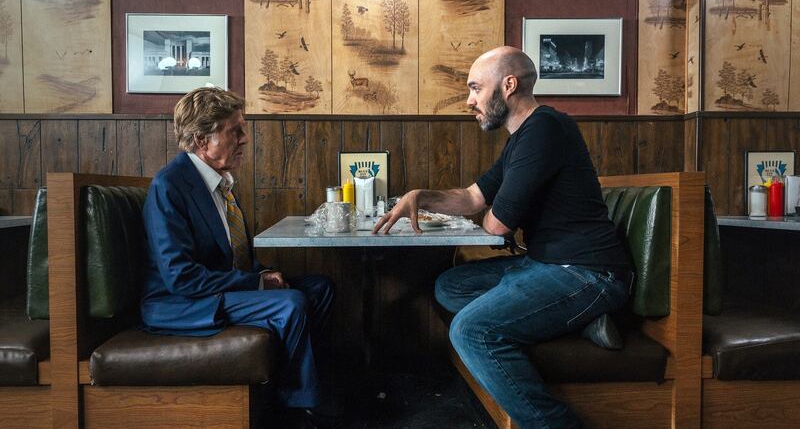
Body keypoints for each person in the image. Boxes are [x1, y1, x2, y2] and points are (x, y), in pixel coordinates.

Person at [373, 46, 633, 428]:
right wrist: (419, 196)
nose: (469, 100)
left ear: (508, 85)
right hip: (544, 264)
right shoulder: (521, 138)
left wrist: (497, 211)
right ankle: (580, 320)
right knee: (450, 286)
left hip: (589, 272)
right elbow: (474, 198)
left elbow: (495, 226)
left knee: (472, 330)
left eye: (476, 88)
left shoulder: (545, 128)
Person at [140, 87, 334, 427]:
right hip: (182, 303)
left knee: (320, 288)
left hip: (219, 289)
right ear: (203, 140)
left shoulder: (221, 184)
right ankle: (298, 409)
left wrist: (264, 272)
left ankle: (289, 385)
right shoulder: (169, 185)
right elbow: (181, 277)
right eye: (235, 131)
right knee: (290, 303)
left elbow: (231, 257)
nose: (245, 139)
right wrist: (257, 282)